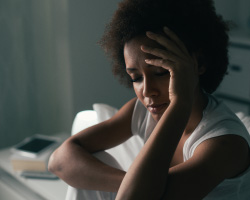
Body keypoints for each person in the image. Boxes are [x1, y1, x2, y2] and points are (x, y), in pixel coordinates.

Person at [48, 0, 250, 199]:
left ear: (199, 64)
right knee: (92, 162)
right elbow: (58, 160)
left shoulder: (225, 144)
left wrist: (180, 103)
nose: (147, 91)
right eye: (135, 77)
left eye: (161, 72)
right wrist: (132, 182)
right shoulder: (141, 111)